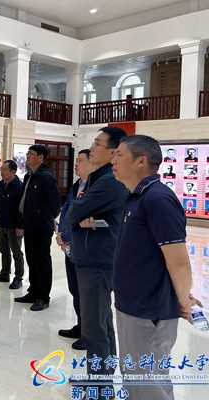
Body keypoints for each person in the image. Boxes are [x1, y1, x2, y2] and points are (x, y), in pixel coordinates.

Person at [112, 134, 198, 400]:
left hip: (150, 310)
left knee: (149, 382)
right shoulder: (135, 197)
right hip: (130, 305)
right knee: (134, 377)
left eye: (119, 155)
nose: (113, 160)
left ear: (141, 161)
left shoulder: (158, 199)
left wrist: (183, 301)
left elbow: (179, 261)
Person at [63, 126, 129, 392]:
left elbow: (72, 213)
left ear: (113, 152)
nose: (91, 147)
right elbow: (75, 212)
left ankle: (100, 387)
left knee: (93, 327)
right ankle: (101, 377)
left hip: (97, 259)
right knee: (100, 322)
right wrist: (79, 217)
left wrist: (77, 218)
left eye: (97, 143)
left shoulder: (110, 180)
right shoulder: (97, 176)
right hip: (91, 255)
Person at [56, 149, 95, 351]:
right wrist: (61, 235)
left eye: (80, 160)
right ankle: (81, 326)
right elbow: (66, 212)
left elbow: (85, 218)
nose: (76, 164)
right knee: (75, 288)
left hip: (84, 245)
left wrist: (68, 237)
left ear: (92, 163)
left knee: (87, 292)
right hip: (70, 245)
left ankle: (89, 333)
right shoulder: (76, 185)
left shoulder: (95, 188)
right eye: (76, 160)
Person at [14, 144, 61, 311]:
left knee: (42, 262)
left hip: (41, 227)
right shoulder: (29, 175)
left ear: (41, 157)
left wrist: (45, 217)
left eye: (31, 154)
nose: (28, 156)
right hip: (29, 225)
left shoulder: (46, 176)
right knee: (32, 261)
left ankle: (43, 297)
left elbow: (55, 203)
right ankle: (33, 292)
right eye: (27, 153)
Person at [0, 160, 24, 289]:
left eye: (4, 170)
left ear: (12, 172)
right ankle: (5, 274)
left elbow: (22, 208)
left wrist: (20, 226)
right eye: (1, 169)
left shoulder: (20, 187)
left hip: (14, 226)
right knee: (4, 250)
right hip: (1, 223)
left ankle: (18, 277)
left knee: (16, 252)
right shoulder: (1, 184)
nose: (1, 172)